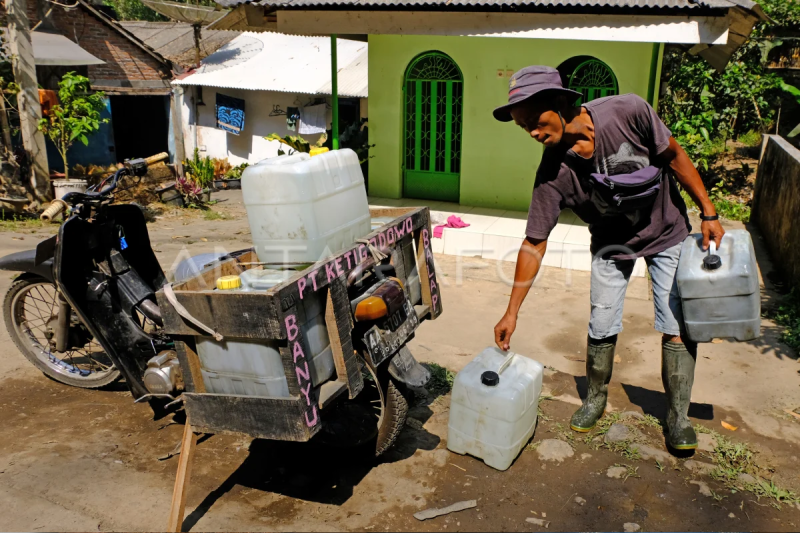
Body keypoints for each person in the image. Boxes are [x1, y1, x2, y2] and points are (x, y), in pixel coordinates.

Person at [491, 66, 724, 450]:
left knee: (676, 325)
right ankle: (595, 398)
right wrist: (511, 311)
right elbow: (534, 243)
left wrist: (709, 212)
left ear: (561, 102)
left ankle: (678, 417)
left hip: (666, 231)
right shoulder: (553, 173)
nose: (532, 132)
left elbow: (674, 154)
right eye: (523, 127)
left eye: (534, 119)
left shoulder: (628, 111)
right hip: (611, 244)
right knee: (602, 321)